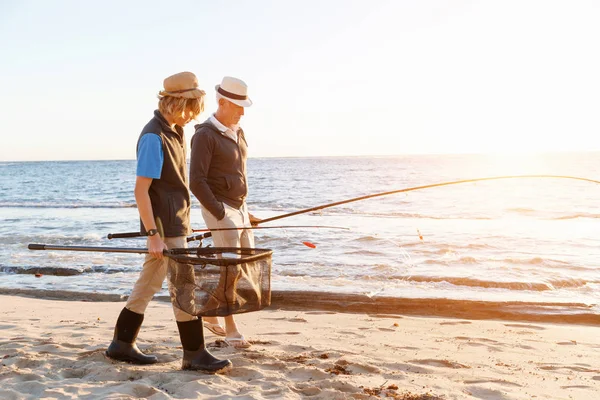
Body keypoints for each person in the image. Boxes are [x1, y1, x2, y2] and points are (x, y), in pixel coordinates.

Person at [106, 72, 232, 374]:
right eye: (191, 109)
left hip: (175, 226)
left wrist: (185, 227)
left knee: (149, 283)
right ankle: (194, 353)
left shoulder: (175, 131)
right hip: (163, 229)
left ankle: (122, 344)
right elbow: (142, 190)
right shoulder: (154, 136)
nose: (193, 117)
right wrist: (153, 235)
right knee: (185, 287)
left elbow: (173, 187)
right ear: (177, 103)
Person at [189, 76, 261, 349]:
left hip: (240, 208)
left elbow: (238, 174)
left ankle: (209, 311)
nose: (242, 112)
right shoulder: (205, 135)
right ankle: (230, 328)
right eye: (237, 106)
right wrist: (220, 213)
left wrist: (246, 210)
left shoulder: (238, 132)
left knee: (241, 266)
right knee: (230, 268)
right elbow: (197, 181)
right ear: (222, 102)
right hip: (221, 210)